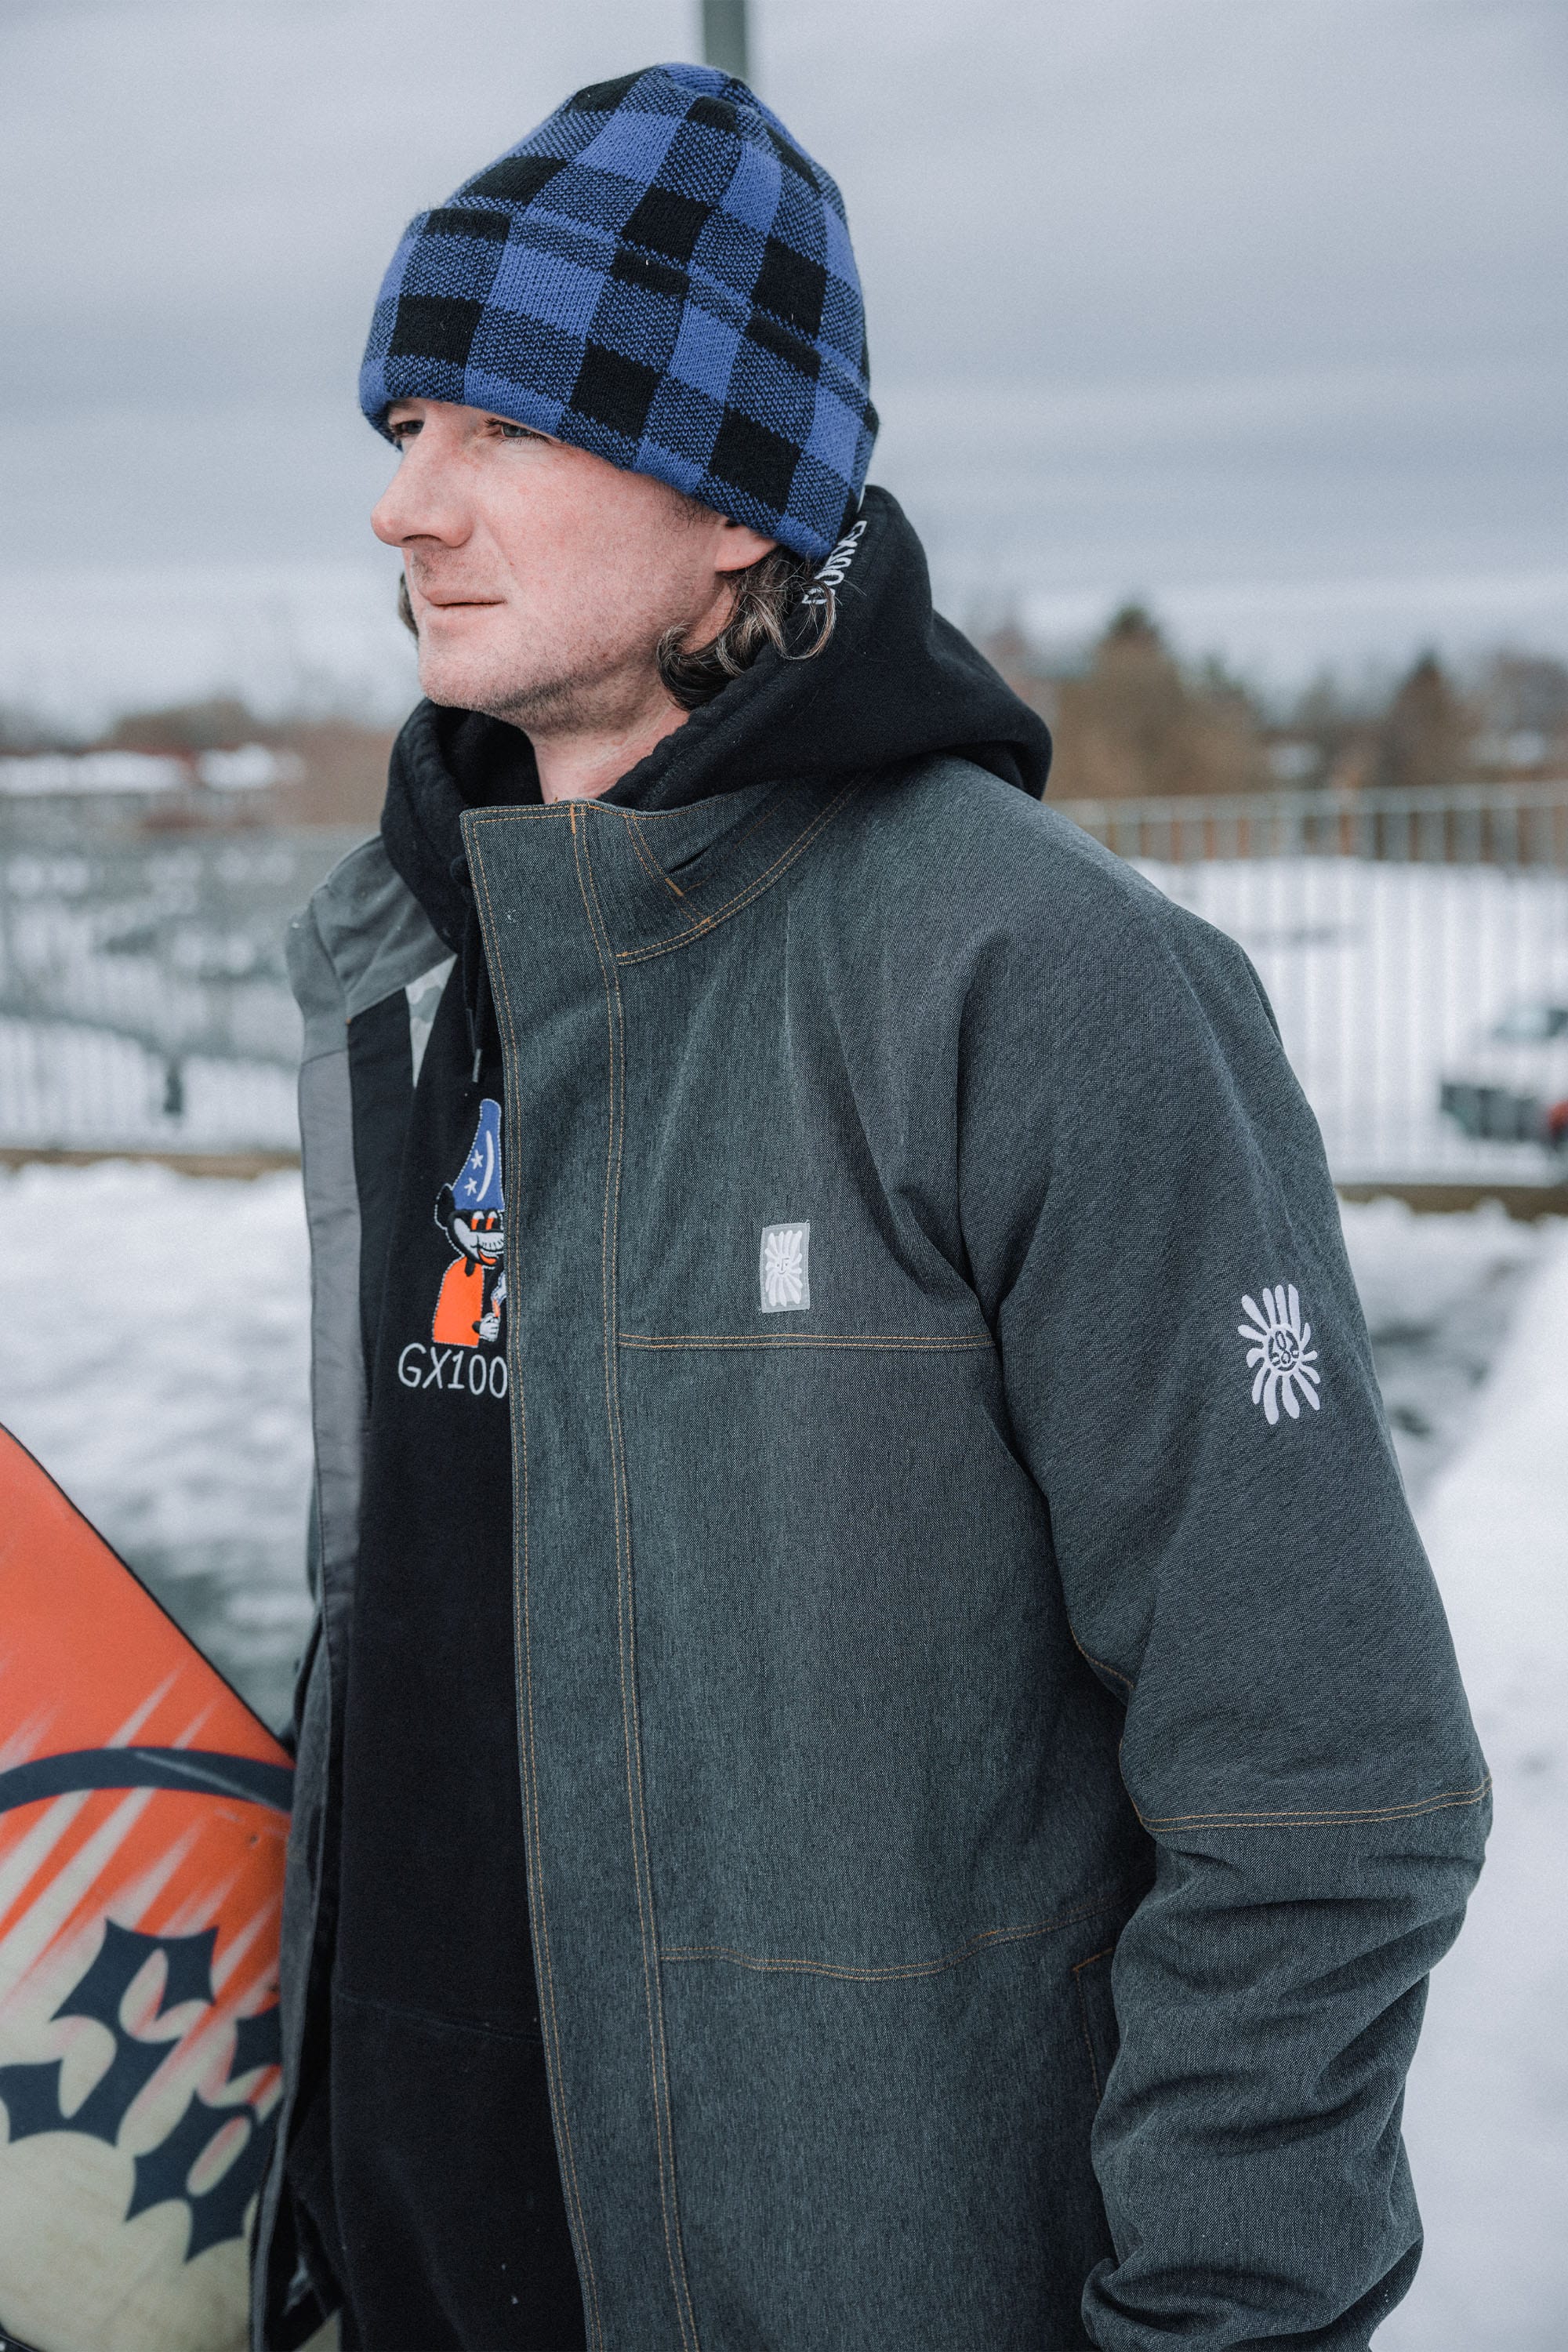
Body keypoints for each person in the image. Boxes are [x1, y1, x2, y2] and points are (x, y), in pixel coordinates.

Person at [254, 61, 1489, 2352]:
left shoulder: (1043, 983)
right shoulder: (429, 956)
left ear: (738, 504)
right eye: (405, 424)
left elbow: (1325, 1786)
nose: (405, 503)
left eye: (500, 424)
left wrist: (1216, 2321)